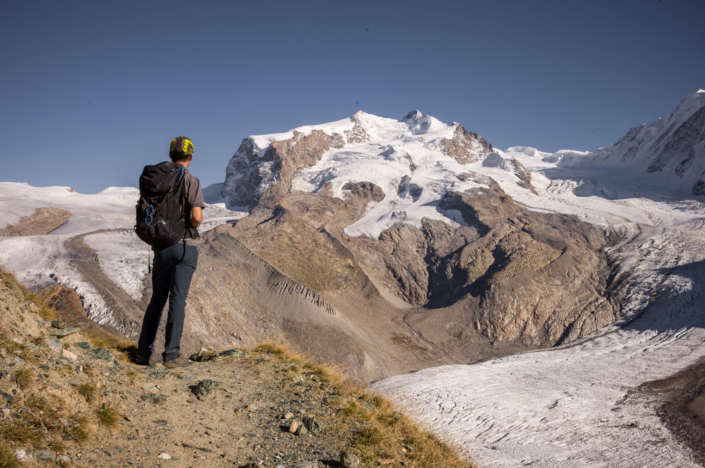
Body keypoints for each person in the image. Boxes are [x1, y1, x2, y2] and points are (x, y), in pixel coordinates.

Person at [136, 136, 205, 368]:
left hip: (161, 247)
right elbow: (196, 218)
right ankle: (172, 355)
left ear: (170, 155)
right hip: (184, 246)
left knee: (156, 300)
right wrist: (193, 225)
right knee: (177, 301)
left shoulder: (154, 178)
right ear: (191, 156)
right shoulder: (190, 180)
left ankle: (143, 353)